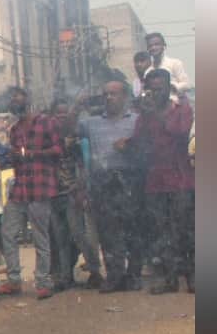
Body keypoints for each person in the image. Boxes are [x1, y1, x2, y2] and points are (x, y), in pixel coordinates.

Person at [128, 69, 195, 294]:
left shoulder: (182, 109)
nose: (155, 93)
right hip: (155, 182)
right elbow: (139, 142)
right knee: (162, 231)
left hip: (181, 180)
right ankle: (170, 279)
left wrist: (154, 114)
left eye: (159, 89)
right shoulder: (144, 116)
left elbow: (180, 132)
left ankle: (193, 277)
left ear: (169, 88)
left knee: (186, 230)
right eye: (152, 89)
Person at [78, 78, 145, 293]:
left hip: (129, 179)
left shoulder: (137, 121)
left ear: (124, 96)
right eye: (105, 94)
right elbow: (66, 130)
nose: (109, 97)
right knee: (108, 231)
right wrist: (76, 106)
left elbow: (147, 147)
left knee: (133, 230)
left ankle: (133, 276)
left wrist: (130, 146)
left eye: (113, 93)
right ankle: (115, 276)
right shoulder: (91, 123)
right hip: (103, 181)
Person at [0, 87, 61, 300]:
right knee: (8, 232)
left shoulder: (46, 122)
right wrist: (11, 158)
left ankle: (43, 281)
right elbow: (13, 158)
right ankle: (14, 280)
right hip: (20, 188)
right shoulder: (14, 130)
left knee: (40, 236)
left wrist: (33, 154)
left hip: (40, 187)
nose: (14, 102)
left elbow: (58, 150)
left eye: (17, 98)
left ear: (27, 99)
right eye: (11, 100)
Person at [48, 99, 104, 291]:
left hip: (72, 192)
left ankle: (95, 271)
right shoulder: (47, 138)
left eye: (65, 113)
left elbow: (83, 165)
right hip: (54, 193)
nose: (62, 117)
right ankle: (66, 276)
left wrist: (80, 188)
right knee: (60, 238)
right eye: (58, 113)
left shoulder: (74, 138)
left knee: (78, 234)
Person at [143, 32, 191, 98]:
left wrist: (172, 86)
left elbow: (187, 85)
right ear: (147, 49)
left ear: (164, 46)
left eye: (157, 44)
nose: (153, 48)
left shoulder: (174, 63)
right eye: (150, 46)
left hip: (174, 102)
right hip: (156, 103)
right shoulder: (147, 72)